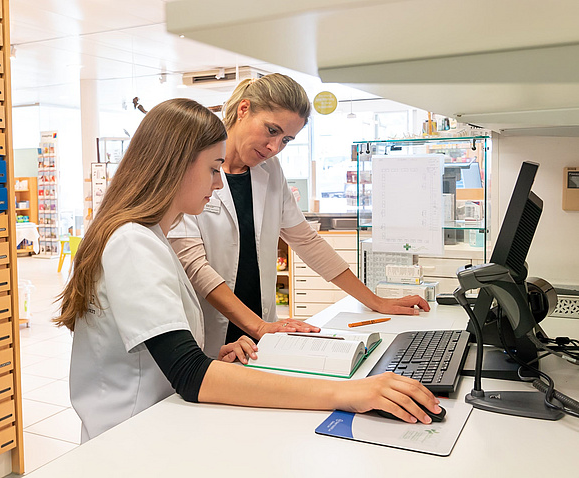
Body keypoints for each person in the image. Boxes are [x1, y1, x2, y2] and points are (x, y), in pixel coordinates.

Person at [55, 98, 440, 443]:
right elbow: (188, 374)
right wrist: (346, 393)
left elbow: (169, 356)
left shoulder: (149, 236)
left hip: (162, 423)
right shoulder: (133, 242)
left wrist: (213, 356)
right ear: (173, 166)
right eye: (211, 168)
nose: (219, 181)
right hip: (129, 438)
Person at [169, 73, 430, 356]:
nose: (274, 148)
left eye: (286, 140)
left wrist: (375, 301)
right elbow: (195, 266)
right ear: (243, 110)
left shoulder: (269, 171)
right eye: (271, 130)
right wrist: (257, 326)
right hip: (211, 331)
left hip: (259, 330)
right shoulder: (194, 165)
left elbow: (306, 241)